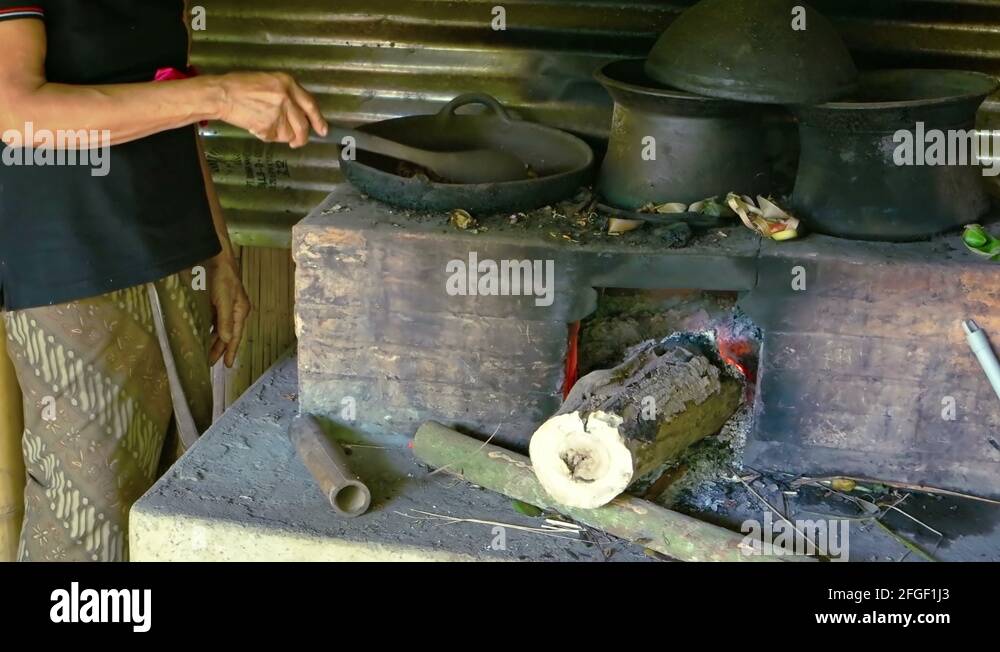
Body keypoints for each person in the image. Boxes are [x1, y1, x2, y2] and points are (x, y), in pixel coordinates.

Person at [0, 0, 329, 561]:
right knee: (92, 520)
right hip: (74, 272)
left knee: (170, 494)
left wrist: (219, 253)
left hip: (174, 258)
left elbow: (165, 104)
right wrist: (220, 94)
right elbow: (15, 111)